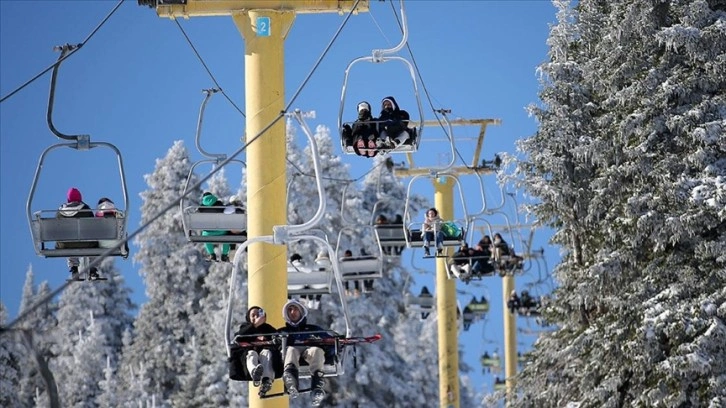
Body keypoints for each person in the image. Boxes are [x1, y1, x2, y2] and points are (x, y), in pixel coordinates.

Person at [278, 299, 333, 406]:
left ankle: (317, 384)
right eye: (290, 310)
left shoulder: (313, 329)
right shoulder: (282, 332)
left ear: (301, 312)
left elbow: (330, 342)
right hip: (292, 354)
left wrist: (330, 348)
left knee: (317, 351)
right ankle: (291, 380)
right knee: (291, 350)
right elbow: (273, 346)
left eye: (296, 310)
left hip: (309, 352)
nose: (293, 312)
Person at [233, 306, 280, 396]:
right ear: (249, 318)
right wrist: (254, 326)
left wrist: (276, 339)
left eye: (258, 315)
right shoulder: (246, 328)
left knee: (267, 353)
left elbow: (276, 336)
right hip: (251, 352)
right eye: (253, 315)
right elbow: (240, 336)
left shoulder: (268, 329)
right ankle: (255, 372)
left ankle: (266, 380)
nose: (256, 317)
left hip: (264, 353)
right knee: (251, 354)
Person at [56, 187, 98, 280]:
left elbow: (57, 229)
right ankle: (92, 269)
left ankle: (74, 268)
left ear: (68, 199)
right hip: (86, 242)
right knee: (94, 243)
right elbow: (93, 226)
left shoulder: (60, 212)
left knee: (68, 241)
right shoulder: (86, 209)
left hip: (67, 244)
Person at [199, 192, 230, 262]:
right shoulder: (219, 204)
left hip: (208, 233)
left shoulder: (201, 207)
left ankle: (212, 255)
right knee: (228, 237)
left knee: (205, 237)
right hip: (221, 232)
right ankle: (224, 255)